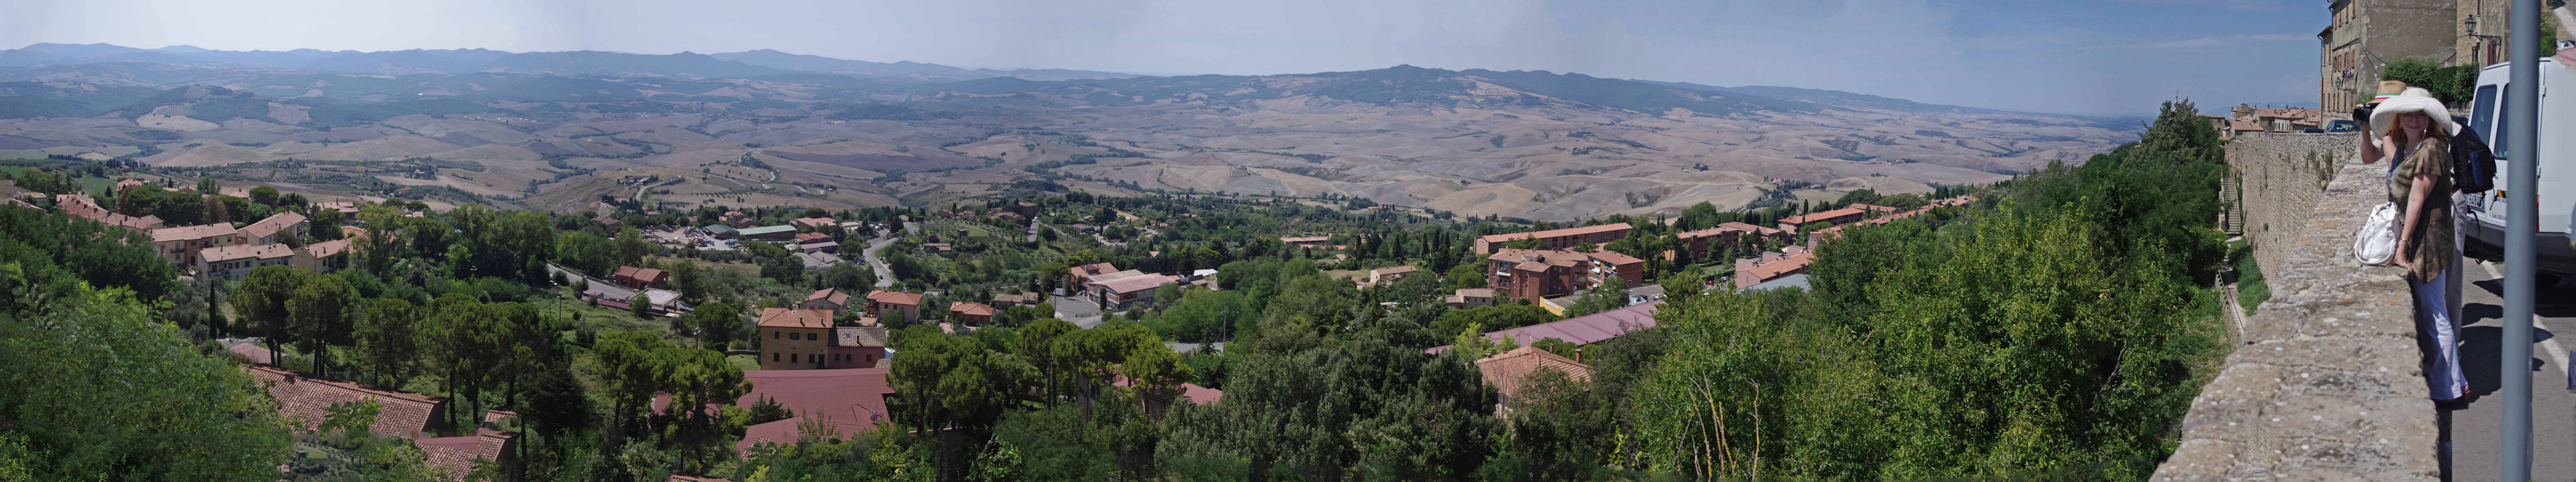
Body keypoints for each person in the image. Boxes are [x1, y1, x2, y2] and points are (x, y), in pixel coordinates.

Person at [2365, 90, 2466, 402]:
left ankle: (2447, 389)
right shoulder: (2407, 147)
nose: (2413, 119)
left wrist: (2403, 246)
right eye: (2408, 114)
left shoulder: (2433, 147)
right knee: (2427, 312)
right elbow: (2378, 165)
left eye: (2420, 115)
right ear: (2399, 118)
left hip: (2429, 238)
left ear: (2430, 120)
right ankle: (2456, 381)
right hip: (2417, 234)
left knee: (2435, 313)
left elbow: (2417, 198)